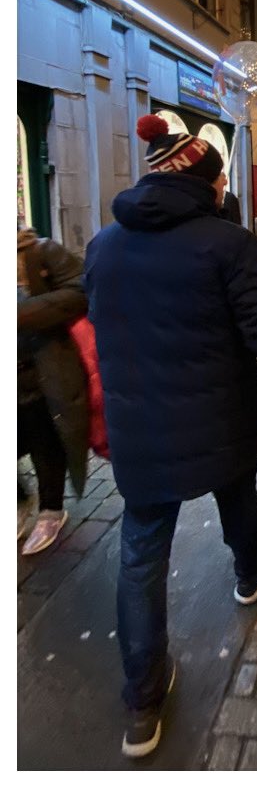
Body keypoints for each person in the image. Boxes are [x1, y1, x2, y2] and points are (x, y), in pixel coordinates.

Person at [84, 115, 257, 759]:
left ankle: (142, 700)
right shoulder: (226, 245)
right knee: (236, 490)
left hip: (141, 432)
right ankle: (250, 570)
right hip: (219, 417)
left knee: (141, 552)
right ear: (209, 183)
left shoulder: (103, 246)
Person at [17, 225, 90, 555]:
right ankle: (19, 500)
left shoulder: (40, 251)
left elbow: (81, 291)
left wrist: (20, 314)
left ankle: (50, 509)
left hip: (42, 370)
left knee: (43, 437)